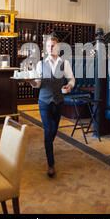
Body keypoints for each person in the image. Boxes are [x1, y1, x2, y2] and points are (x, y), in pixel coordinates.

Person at [28, 35, 75, 177]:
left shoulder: (64, 63)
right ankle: (51, 164)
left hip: (59, 101)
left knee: (54, 129)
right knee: (48, 130)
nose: (50, 48)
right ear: (46, 48)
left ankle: (48, 144)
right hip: (44, 101)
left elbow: (71, 79)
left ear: (58, 47)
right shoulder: (41, 64)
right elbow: (38, 84)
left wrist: (69, 86)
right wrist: (31, 82)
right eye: (48, 46)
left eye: (53, 45)